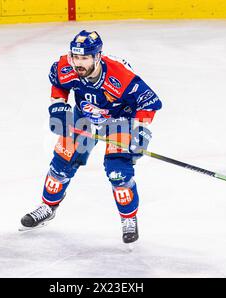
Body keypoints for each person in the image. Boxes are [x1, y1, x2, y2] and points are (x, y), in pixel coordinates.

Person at [20, 30, 162, 244]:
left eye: (85, 58)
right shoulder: (67, 67)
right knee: (62, 162)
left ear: (97, 57)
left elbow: (148, 102)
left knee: (118, 172)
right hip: (84, 116)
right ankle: (48, 207)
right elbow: (58, 83)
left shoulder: (119, 75)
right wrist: (58, 105)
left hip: (119, 119)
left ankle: (128, 219)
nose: (79, 63)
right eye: (76, 57)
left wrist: (140, 132)